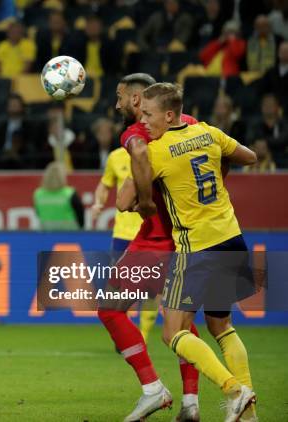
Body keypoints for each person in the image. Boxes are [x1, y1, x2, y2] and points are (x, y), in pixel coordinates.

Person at [132, 82, 258, 422]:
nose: (142, 121)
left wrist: (139, 159)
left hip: (197, 248)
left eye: (148, 114)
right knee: (222, 327)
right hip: (231, 237)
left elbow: (128, 200)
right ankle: (249, 416)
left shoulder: (156, 150)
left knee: (173, 332)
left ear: (169, 115)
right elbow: (250, 156)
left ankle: (234, 389)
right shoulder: (208, 132)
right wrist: (216, 174)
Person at [97, 73, 201, 422]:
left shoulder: (135, 133)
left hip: (157, 239)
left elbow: (138, 157)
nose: (117, 104)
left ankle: (152, 389)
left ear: (138, 99)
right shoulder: (191, 123)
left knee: (110, 308)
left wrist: (144, 201)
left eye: (121, 96)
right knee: (183, 321)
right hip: (192, 238)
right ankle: (191, 402)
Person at [33, 161, 83, 230]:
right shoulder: (69, 193)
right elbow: (80, 213)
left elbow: (37, 212)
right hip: (69, 229)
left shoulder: (38, 193)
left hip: (46, 228)